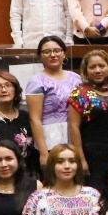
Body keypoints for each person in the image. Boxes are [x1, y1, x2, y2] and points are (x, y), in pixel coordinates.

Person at [26, 35, 83, 166]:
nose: (53, 55)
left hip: (75, 136)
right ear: (40, 57)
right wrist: (43, 153)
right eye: (47, 52)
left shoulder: (76, 78)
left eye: (57, 50)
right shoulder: (36, 81)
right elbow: (35, 119)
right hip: (50, 139)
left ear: (64, 54)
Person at [67, 49, 108, 192]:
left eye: (101, 66)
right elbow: (74, 128)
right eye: (92, 67)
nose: (97, 70)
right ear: (85, 71)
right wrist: (81, 159)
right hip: (92, 153)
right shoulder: (79, 93)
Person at [0, 71, 38, 173]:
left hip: (25, 175)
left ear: (15, 90)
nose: (3, 90)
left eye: (8, 86)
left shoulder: (25, 116)